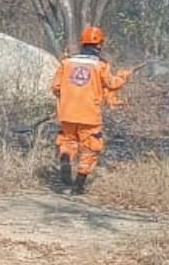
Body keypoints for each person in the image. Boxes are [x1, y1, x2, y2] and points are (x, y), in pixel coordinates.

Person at [49, 25, 131, 195]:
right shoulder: (101, 65)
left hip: (67, 112)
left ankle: (65, 159)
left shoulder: (66, 62)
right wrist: (123, 76)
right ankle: (78, 185)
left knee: (67, 141)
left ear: (82, 43)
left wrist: (66, 98)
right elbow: (111, 84)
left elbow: (56, 87)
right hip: (89, 115)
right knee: (91, 148)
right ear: (100, 44)